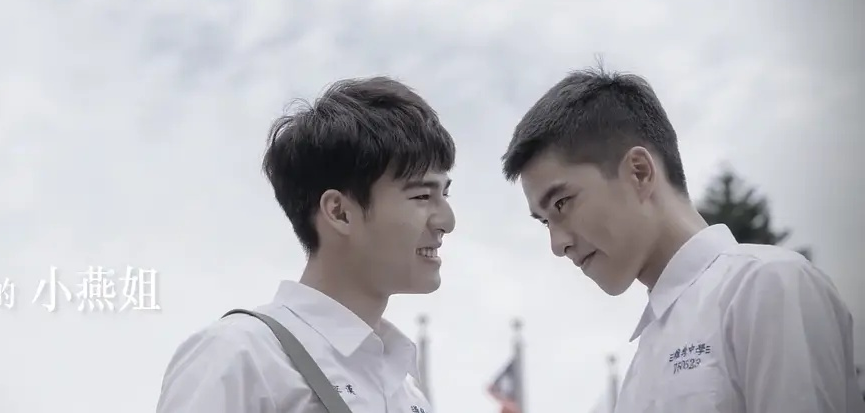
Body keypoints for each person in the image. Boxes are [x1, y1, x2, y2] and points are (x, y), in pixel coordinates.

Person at [500, 66, 863, 413]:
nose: (557, 245)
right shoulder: (643, 361)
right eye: (544, 222)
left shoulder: (766, 285)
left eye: (561, 203)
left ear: (639, 172)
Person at [156, 76, 456, 412]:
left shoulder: (408, 395)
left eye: (445, 194)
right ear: (339, 212)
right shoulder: (240, 356)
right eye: (422, 196)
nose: (447, 221)